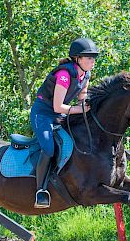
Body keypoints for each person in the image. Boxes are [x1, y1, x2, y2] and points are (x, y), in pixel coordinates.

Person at [30, 37, 99, 208]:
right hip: (43, 114)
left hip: (59, 114)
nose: (93, 62)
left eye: (93, 58)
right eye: (89, 58)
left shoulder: (85, 75)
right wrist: (80, 110)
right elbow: (57, 106)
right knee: (48, 148)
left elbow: (82, 99)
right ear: (77, 59)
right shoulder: (64, 75)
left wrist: (90, 106)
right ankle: (40, 191)